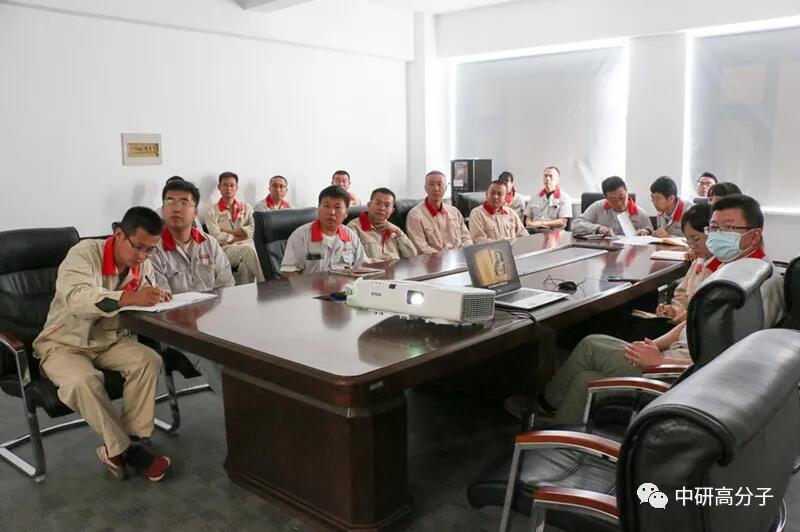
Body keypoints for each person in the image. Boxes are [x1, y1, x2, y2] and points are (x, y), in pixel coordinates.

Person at [505, 195, 784, 424]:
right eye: (714, 228)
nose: (718, 235)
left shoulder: (746, 289)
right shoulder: (746, 269)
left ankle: (542, 407)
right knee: (585, 379)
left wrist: (660, 361)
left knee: (591, 346)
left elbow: (731, 364)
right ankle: (560, 436)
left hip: (683, 375)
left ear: (754, 235)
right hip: (676, 356)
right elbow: (692, 322)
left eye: (729, 228)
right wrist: (658, 344)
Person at [32, 207, 172, 481]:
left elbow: (143, 295)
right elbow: (77, 298)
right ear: (119, 234)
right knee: (82, 381)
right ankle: (128, 451)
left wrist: (158, 297)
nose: (142, 256)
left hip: (109, 340)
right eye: (138, 247)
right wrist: (130, 298)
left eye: (150, 250)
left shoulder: (142, 263)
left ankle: (132, 439)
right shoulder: (83, 254)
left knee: (149, 361)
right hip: (64, 343)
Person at [151, 179, 234, 393]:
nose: (176, 208)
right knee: (211, 357)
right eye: (169, 202)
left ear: (195, 212)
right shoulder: (153, 249)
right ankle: (241, 409)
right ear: (162, 209)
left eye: (183, 203)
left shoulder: (209, 243)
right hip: (176, 329)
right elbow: (162, 300)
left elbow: (227, 285)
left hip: (215, 321)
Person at [280, 185, 366, 276]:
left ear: (346, 213)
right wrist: (305, 285)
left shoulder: (351, 236)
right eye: (327, 206)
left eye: (337, 207)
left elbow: (361, 266)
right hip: (310, 285)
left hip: (345, 284)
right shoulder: (301, 235)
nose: (331, 212)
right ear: (318, 209)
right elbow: (289, 271)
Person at [204, 171, 265, 284]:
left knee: (244, 267)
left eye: (232, 185)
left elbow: (255, 228)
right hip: (224, 250)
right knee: (248, 251)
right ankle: (266, 283)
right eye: (225, 185)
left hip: (247, 246)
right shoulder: (211, 211)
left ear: (237, 188)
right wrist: (237, 237)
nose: (228, 188)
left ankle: (246, 294)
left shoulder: (246, 208)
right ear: (219, 187)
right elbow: (215, 235)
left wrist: (229, 232)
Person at [406, 170, 473, 254]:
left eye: (440, 184)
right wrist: (444, 258)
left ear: (446, 188)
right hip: (432, 260)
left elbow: (467, 238)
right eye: (431, 184)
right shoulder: (415, 215)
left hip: (458, 258)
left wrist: (459, 255)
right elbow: (421, 247)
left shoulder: (454, 212)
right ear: (425, 188)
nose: (436, 189)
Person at [347, 187, 417, 262]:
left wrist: (399, 232)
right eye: (378, 203)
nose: (382, 208)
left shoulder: (394, 230)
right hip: (373, 269)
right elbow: (353, 260)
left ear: (392, 210)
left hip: (397, 269)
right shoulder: (353, 228)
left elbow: (412, 255)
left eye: (387, 205)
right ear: (369, 205)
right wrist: (386, 263)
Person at [570, 176, 652, 237]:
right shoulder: (598, 207)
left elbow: (651, 233)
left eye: (622, 197)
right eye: (613, 199)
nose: (619, 203)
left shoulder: (640, 213)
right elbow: (575, 225)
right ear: (605, 198)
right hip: (602, 250)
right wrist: (598, 228)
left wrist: (646, 232)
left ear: (627, 191)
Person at [468, 180, 527, 244]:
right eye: (492, 193)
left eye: (500, 194)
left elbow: (523, 234)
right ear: (486, 195)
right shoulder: (477, 213)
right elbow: (479, 240)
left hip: (513, 249)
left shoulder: (511, 213)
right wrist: (505, 243)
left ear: (505, 197)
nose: (495, 197)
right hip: (489, 250)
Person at [524, 166, 572, 230]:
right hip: (535, 231)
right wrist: (531, 224)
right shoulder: (534, 197)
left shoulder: (565, 198)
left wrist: (542, 223)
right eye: (545, 176)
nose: (547, 178)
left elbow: (562, 222)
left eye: (550, 176)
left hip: (555, 232)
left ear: (557, 179)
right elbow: (528, 219)